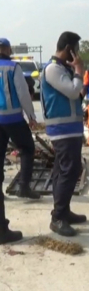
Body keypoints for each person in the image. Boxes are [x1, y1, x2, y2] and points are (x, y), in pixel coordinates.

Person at [40, 31, 86, 237]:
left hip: (70, 130)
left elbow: (78, 92)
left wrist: (76, 73)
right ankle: (58, 218)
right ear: (68, 48)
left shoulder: (62, 69)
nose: (76, 53)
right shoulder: (53, 69)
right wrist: (78, 70)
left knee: (65, 171)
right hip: (62, 131)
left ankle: (63, 211)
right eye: (75, 49)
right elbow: (74, 91)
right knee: (70, 170)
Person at [0, 38, 39, 244]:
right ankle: (24, 186)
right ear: (8, 50)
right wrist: (31, 116)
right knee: (27, 148)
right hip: (13, 117)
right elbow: (23, 93)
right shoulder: (12, 67)